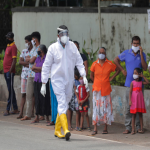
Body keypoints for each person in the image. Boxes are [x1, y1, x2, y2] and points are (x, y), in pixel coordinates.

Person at [41, 25, 87, 141]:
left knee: (64, 104)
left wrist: (84, 75)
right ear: (58, 36)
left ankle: (57, 130)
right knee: (62, 103)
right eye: (62, 34)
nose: (65, 36)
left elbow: (79, 61)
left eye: (66, 34)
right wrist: (43, 82)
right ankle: (66, 130)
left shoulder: (72, 47)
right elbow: (46, 66)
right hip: (57, 80)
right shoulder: (53, 48)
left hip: (69, 80)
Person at [114, 36, 147, 134]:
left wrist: (141, 54)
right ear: (131, 43)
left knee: (139, 107)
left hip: (139, 86)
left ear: (140, 44)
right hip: (129, 84)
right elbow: (116, 60)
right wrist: (122, 70)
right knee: (129, 107)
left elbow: (145, 68)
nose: (135, 45)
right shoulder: (126, 53)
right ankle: (128, 127)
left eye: (137, 43)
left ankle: (138, 127)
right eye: (134, 43)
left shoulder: (143, 54)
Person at [90, 47, 120, 135]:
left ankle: (105, 127)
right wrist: (96, 82)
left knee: (106, 108)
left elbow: (118, 70)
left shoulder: (110, 64)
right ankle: (95, 128)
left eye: (103, 52)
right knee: (96, 108)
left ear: (105, 54)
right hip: (96, 90)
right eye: (100, 52)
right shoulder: (94, 64)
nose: (101, 54)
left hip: (106, 90)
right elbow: (91, 76)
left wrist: (111, 78)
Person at [67, 41, 88, 130]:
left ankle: (79, 125)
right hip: (70, 82)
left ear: (78, 47)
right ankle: (69, 124)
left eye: (76, 46)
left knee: (78, 105)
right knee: (69, 104)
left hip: (80, 82)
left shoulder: (83, 56)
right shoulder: (68, 57)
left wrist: (83, 79)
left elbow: (86, 69)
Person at [21, 31, 40, 121]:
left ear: (35, 40)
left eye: (32, 40)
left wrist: (30, 59)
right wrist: (30, 59)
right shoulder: (33, 49)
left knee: (37, 95)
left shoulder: (39, 48)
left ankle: (39, 114)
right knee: (28, 94)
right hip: (30, 74)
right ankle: (28, 114)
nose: (31, 41)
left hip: (37, 74)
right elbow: (27, 58)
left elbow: (31, 60)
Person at [31, 45, 51, 123]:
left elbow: (45, 68)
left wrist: (39, 69)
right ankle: (37, 116)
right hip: (36, 80)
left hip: (44, 81)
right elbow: (33, 68)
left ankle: (47, 117)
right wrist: (40, 69)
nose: (38, 51)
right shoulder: (37, 58)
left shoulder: (47, 58)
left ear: (42, 51)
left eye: (39, 50)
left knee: (45, 99)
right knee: (37, 98)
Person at [17, 35, 33, 119]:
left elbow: (33, 63)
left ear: (31, 42)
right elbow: (20, 62)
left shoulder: (34, 51)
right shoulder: (24, 51)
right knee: (23, 94)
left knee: (32, 95)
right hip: (24, 75)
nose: (26, 44)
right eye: (25, 42)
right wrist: (29, 64)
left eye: (27, 42)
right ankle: (21, 112)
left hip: (31, 75)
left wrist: (28, 63)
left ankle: (31, 112)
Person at [3, 32, 19, 116]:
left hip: (10, 72)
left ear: (12, 38)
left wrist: (10, 70)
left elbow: (14, 60)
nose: (7, 39)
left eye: (9, 38)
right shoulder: (8, 46)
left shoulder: (13, 47)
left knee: (10, 90)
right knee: (11, 90)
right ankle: (15, 108)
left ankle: (8, 109)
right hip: (6, 71)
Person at [129, 68, 148, 134]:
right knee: (133, 115)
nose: (134, 74)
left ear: (139, 74)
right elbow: (130, 92)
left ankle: (141, 128)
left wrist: (143, 76)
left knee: (140, 115)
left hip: (139, 101)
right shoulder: (132, 83)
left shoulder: (141, 82)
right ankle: (133, 130)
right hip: (134, 101)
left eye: (136, 73)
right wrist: (130, 101)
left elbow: (147, 82)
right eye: (134, 73)